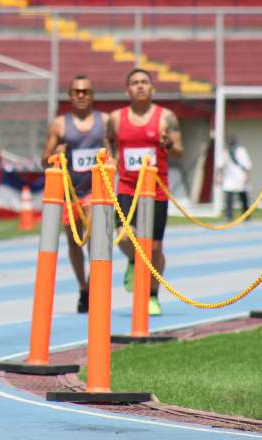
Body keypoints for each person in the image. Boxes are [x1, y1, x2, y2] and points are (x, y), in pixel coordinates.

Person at [107, 68, 184, 316]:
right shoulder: (117, 118)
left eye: (144, 82)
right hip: (127, 187)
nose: (140, 86)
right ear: (127, 90)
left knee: (155, 249)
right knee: (125, 237)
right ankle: (133, 260)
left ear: (152, 89)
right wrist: (111, 158)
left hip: (156, 191)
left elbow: (179, 149)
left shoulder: (166, 117)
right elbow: (109, 142)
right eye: (134, 83)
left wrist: (168, 144)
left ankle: (152, 296)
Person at [42, 75, 109, 314]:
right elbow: (44, 161)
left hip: (95, 192)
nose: (81, 95)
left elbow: (116, 153)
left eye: (86, 91)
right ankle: (83, 287)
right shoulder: (59, 125)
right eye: (76, 91)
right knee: (74, 241)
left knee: (93, 235)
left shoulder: (105, 121)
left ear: (92, 95)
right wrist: (55, 152)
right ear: (70, 96)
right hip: (70, 194)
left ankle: (95, 282)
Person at [218, 135, 251, 222]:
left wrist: (246, 176)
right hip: (229, 178)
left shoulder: (241, 151)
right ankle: (229, 216)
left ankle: (246, 215)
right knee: (228, 198)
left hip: (240, 176)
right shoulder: (225, 152)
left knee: (243, 197)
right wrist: (219, 177)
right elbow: (220, 166)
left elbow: (247, 165)